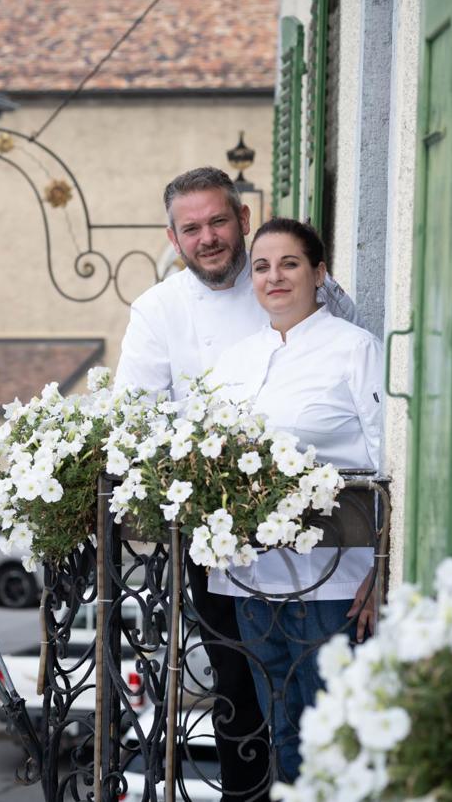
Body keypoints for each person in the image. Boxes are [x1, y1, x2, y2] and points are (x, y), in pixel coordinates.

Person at [115, 167, 361, 801]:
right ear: (172, 237)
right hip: (221, 545)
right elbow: (136, 417)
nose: (208, 238)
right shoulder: (162, 310)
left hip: (328, 557)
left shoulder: (330, 317)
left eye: (219, 222)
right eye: (191, 228)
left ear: (243, 220)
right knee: (238, 688)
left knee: (329, 707)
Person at [207, 217, 384, 783]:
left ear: (319, 273)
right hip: (252, 584)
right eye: (261, 266)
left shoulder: (356, 349)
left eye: (289, 264)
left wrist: (382, 569)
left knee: (339, 740)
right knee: (283, 740)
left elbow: (389, 465)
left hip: (334, 586)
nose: (273, 277)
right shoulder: (233, 362)